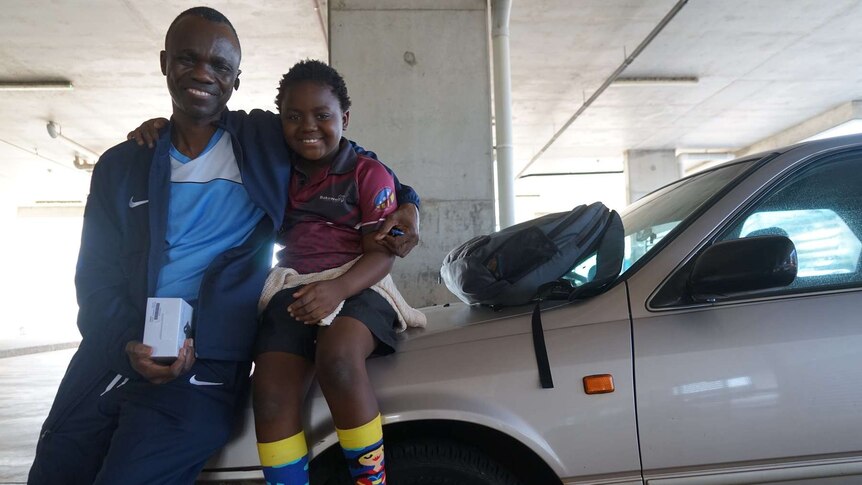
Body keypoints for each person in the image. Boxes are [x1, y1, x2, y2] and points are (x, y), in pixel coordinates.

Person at [28, 7, 419, 485]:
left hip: (208, 356)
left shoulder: (263, 141)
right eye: (187, 59)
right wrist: (124, 344)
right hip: (112, 352)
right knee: (54, 468)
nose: (201, 74)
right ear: (164, 62)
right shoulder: (123, 164)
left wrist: (410, 204)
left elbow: (348, 156)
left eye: (219, 66)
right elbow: (94, 280)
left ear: (236, 80)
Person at [252, 60, 425, 485]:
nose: (308, 126)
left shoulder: (368, 174)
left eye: (322, 115)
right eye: (293, 116)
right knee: (269, 392)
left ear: (344, 118)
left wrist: (336, 289)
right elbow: (210, 126)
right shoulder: (276, 170)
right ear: (280, 121)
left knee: (339, 359)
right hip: (295, 286)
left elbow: (382, 255)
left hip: (361, 281)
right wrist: (163, 126)